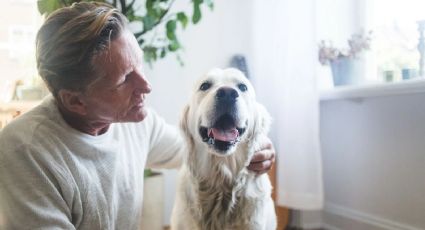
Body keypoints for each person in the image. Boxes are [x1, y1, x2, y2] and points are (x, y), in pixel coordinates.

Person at [0, 2, 275, 229]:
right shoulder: (24, 150)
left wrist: (256, 148)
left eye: (139, 64)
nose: (146, 86)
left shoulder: (135, 121)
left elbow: (193, 149)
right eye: (124, 79)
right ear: (75, 101)